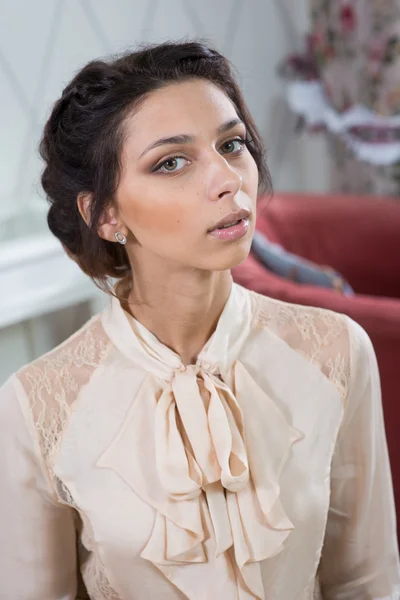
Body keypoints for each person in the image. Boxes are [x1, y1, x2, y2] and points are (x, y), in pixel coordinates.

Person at [0, 41, 398, 600]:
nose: (228, 179)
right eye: (171, 162)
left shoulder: (336, 352)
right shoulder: (36, 407)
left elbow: (366, 580)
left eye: (232, 144)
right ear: (104, 214)